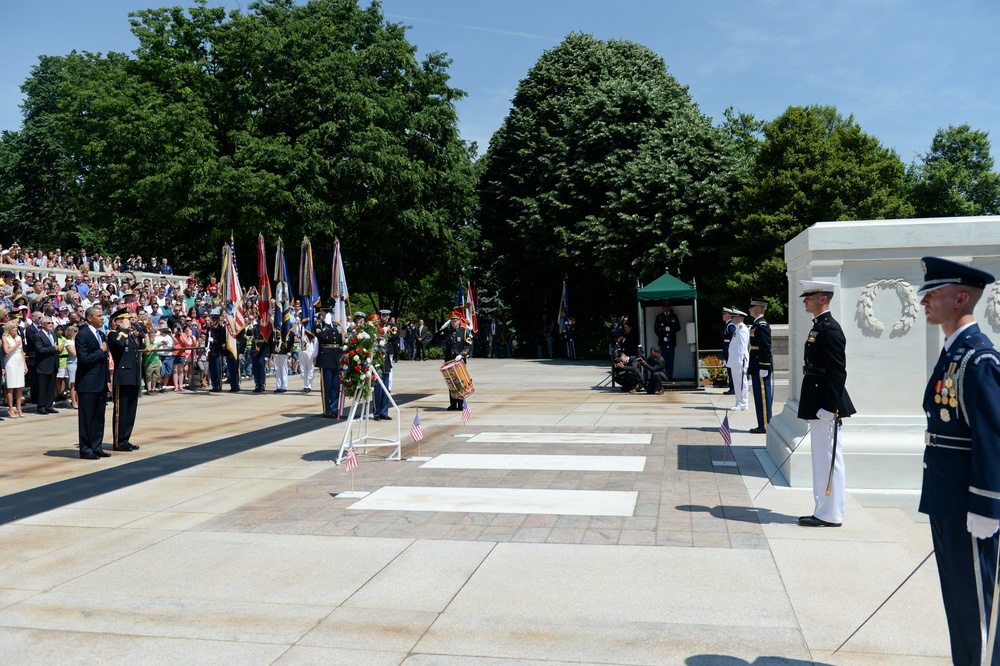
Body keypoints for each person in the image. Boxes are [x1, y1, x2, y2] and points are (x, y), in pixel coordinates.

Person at [917, 256, 1000, 665]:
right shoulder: (954, 353)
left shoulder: (978, 359)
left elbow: (993, 437)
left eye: (933, 293)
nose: (924, 301)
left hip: (969, 502)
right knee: (958, 601)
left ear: (961, 298)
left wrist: (987, 504)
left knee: (976, 605)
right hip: (946, 496)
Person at [796, 281, 856, 528]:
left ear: (823, 298)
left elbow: (837, 372)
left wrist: (830, 407)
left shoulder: (829, 330)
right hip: (817, 399)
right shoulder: (819, 327)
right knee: (821, 459)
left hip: (825, 402)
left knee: (829, 458)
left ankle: (830, 514)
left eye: (809, 297)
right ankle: (823, 509)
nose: (804, 301)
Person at [76, 305, 111, 459]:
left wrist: (108, 380)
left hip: (101, 382)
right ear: (89, 318)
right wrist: (100, 350)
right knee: (87, 418)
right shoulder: (82, 335)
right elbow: (84, 359)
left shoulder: (101, 335)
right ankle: (86, 449)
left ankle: (97, 446)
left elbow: (104, 361)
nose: (102, 318)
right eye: (99, 316)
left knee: (98, 417)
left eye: (102, 315)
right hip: (88, 383)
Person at [107, 307, 141, 452]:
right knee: (121, 411)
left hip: (132, 376)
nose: (129, 322)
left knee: (130, 411)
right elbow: (119, 345)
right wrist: (125, 330)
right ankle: (118, 441)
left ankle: (125, 439)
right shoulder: (114, 335)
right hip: (122, 377)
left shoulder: (128, 334)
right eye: (126, 319)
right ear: (118, 322)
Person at [747, 297, 773, 434]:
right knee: (758, 396)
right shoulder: (757, 324)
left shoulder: (762, 325)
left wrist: (764, 366)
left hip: (760, 366)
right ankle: (762, 423)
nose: (749, 309)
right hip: (757, 365)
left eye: (751, 307)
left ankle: (765, 425)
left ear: (758, 309)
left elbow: (765, 347)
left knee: (763, 396)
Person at [441, 308, 472, 410]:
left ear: (459, 321)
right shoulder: (447, 332)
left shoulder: (463, 332)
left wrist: (462, 354)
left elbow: (468, 346)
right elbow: (434, 340)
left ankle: (460, 404)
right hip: (449, 361)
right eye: (452, 321)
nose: (454, 323)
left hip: (459, 362)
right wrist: (441, 330)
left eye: (455, 321)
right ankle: (453, 404)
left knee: (460, 383)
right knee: (451, 383)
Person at [314, 312, 342, 417]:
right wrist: (326, 325)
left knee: (336, 385)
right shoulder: (319, 326)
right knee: (327, 386)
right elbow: (322, 337)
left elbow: (340, 340)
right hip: (326, 358)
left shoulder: (336, 325)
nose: (326, 315)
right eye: (324, 314)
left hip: (336, 358)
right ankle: (327, 410)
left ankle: (334, 408)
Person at [33, 316, 60, 414]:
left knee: (51, 387)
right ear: (43, 324)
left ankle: (49, 406)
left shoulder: (53, 334)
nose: (51, 325)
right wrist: (53, 348)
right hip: (43, 365)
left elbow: (56, 350)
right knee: (42, 387)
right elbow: (40, 349)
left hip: (53, 364)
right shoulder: (38, 335)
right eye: (49, 323)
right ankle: (41, 407)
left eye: (52, 323)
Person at [2, 320, 27, 418]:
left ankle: (19, 407)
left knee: (20, 386)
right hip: (10, 362)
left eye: (16, 327)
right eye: (13, 328)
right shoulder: (5, 338)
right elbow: (7, 351)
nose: (15, 329)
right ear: (9, 329)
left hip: (19, 362)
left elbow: (21, 352)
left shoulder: (19, 337)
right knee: (11, 386)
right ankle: (11, 408)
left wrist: (25, 364)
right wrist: (16, 344)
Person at [726, 309, 750, 411]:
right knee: (737, 382)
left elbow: (742, 346)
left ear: (739, 318)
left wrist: (740, 361)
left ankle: (743, 403)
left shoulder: (741, 328)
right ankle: (739, 401)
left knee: (741, 382)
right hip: (736, 360)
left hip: (739, 361)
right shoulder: (738, 328)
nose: (732, 319)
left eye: (733, 317)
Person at [653, 301, 681, 380]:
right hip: (663, 341)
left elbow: (678, 327)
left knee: (670, 359)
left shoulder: (674, 316)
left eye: (668, 307)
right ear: (663, 308)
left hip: (671, 340)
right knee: (663, 359)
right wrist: (661, 336)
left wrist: (671, 330)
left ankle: (670, 376)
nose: (666, 308)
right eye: (665, 307)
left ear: (669, 308)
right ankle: (664, 376)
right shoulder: (659, 316)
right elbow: (655, 329)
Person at [721, 307, 736, 394]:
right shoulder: (728, 324)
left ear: (728, 315)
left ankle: (733, 388)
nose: (722, 316)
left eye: (724, 314)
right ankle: (732, 387)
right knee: (729, 370)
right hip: (728, 350)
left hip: (729, 351)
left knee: (731, 370)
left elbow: (733, 339)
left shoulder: (730, 325)